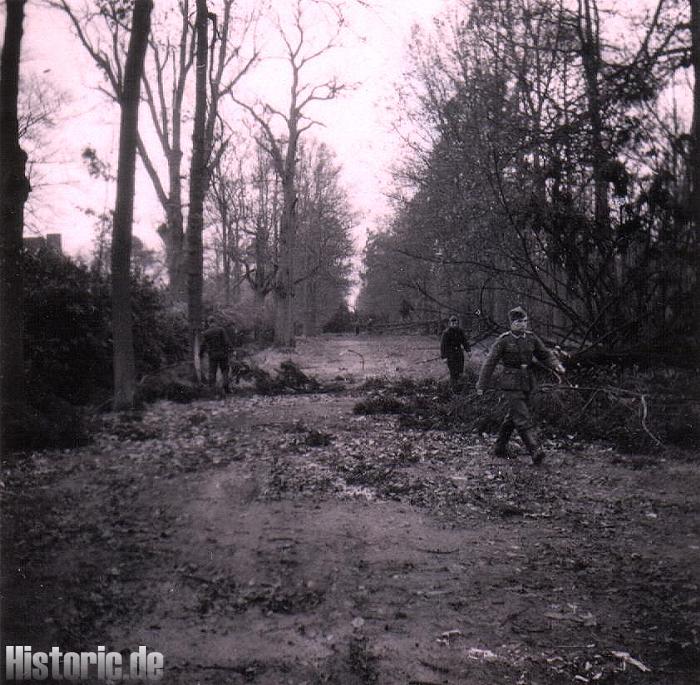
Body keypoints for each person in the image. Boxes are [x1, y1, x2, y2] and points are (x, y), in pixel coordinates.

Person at [476, 307, 565, 464]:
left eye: (524, 321)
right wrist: (481, 384)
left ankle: (500, 447)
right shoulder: (503, 340)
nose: (522, 325)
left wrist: (556, 364)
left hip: (528, 381)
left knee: (514, 416)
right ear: (511, 323)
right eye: (518, 322)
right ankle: (535, 450)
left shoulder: (531, 338)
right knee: (522, 416)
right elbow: (490, 362)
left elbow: (544, 354)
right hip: (510, 382)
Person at [200, 316, 233, 392]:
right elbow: (226, 341)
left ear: (208, 323)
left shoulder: (206, 333)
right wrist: (231, 349)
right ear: (215, 322)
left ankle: (212, 390)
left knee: (212, 371)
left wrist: (200, 354)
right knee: (225, 370)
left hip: (212, 355)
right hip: (223, 354)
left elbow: (203, 345)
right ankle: (226, 386)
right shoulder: (221, 330)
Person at [440, 315, 471, 387]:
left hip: (459, 354)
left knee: (460, 371)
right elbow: (443, 346)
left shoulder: (460, 331)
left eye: (456, 323)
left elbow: (464, 341)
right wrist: (444, 357)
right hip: (450, 355)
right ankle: (452, 388)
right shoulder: (446, 333)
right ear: (450, 324)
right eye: (453, 323)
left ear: (458, 323)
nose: (454, 325)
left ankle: (459, 387)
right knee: (453, 372)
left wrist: (468, 350)